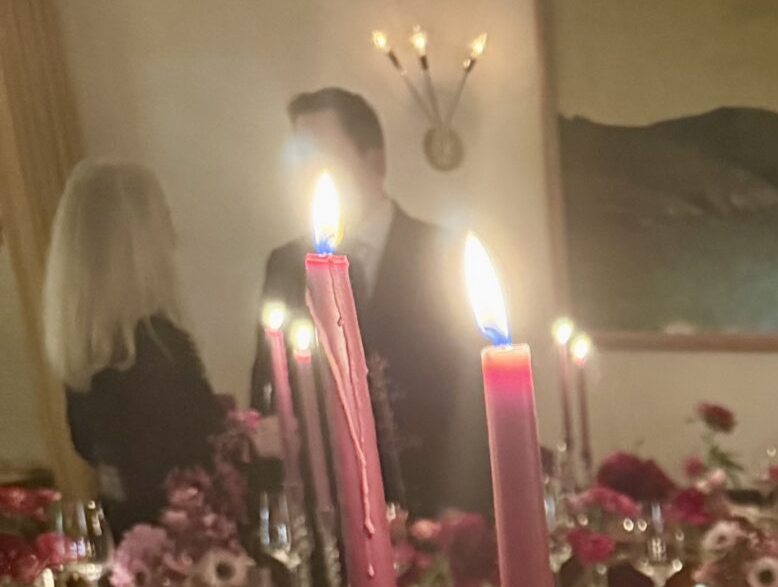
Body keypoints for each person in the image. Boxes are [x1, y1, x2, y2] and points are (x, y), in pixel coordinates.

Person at [253, 86, 485, 518]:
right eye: (299, 156)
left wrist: (461, 502)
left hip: (432, 503)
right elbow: (269, 382)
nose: (305, 170)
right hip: (331, 507)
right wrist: (272, 430)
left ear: (374, 161)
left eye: (320, 154)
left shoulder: (446, 253)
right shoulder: (286, 265)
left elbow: (476, 389)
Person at [44, 160, 221, 532]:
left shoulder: (88, 362)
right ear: (135, 244)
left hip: (128, 543)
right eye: (163, 219)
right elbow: (197, 463)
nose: (174, 234)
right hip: (184, 545)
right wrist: (253, 443)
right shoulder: (158, 349)